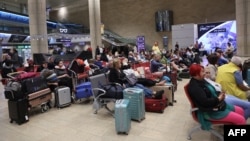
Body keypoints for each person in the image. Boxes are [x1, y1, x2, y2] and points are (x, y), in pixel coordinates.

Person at [187, 64, 246, 130]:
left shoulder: (201, 80)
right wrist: (218, 99)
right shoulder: (195, 87)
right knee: (241, 120)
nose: (204, 73)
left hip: (217, 105)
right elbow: (205, 102)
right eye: (202, 72)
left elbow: (212, 90)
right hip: (210, 111)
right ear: (196, 74)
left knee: (240, 111)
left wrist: (220, 94)